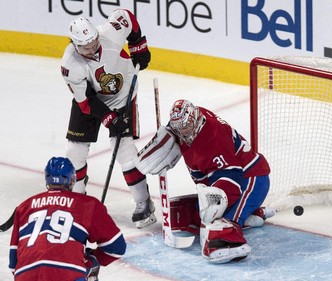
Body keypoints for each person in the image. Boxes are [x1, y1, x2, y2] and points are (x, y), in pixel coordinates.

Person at [135, 99, 274, 263]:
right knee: (192, 214)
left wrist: (215, 203)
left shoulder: (214, 137)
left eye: (185, 128)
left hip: (251, 179)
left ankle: (233, 234)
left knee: (221, 221)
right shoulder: (188, 120)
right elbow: (179, 130)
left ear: (194, 120)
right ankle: (251, 213)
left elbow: (232, 179)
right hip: (229, 177)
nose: (182, 133)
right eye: (177, 129)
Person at [60, 8, 156, 228]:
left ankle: (144, 202)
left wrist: (138, 46)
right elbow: (86, 103)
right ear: (74, 43)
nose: (92, 47)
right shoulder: (70, 65)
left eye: (93, 41)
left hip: (122, 98)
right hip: (90, 101)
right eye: (85, 46)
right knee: (74, 152)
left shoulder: (110, 32)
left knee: (125, 152)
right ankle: (78, 199)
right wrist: (109, 118)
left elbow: (127, 16)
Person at [9, 157, 126, 281]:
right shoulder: (87, 204)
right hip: (67, 274)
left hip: (26, 276)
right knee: (90, 269)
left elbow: (13, 264)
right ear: (72, 180)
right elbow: (117, 247)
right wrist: (92, 259)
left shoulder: (23, 207)